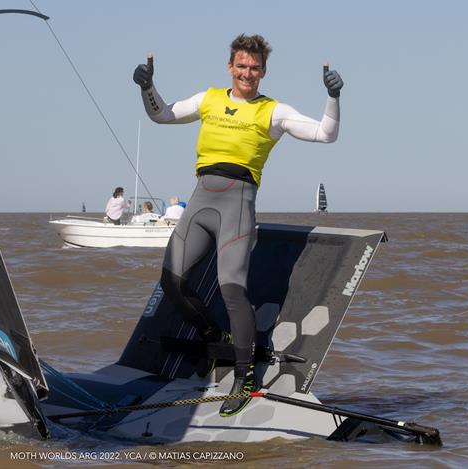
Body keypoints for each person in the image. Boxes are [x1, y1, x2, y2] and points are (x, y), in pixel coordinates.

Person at [133, 34, 343, 417]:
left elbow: (326, 135)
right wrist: (147, 86)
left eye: (255, 68)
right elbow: (161, 114)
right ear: (230, 67)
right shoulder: (208, 99)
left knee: (233, 291)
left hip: (238, 205)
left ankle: (244, 378)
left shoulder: (273, 111)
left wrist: (333, 97)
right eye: (242, 66)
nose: (248, 73)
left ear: (263, 72)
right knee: (172, 282)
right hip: (200, 200)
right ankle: (216, 338)